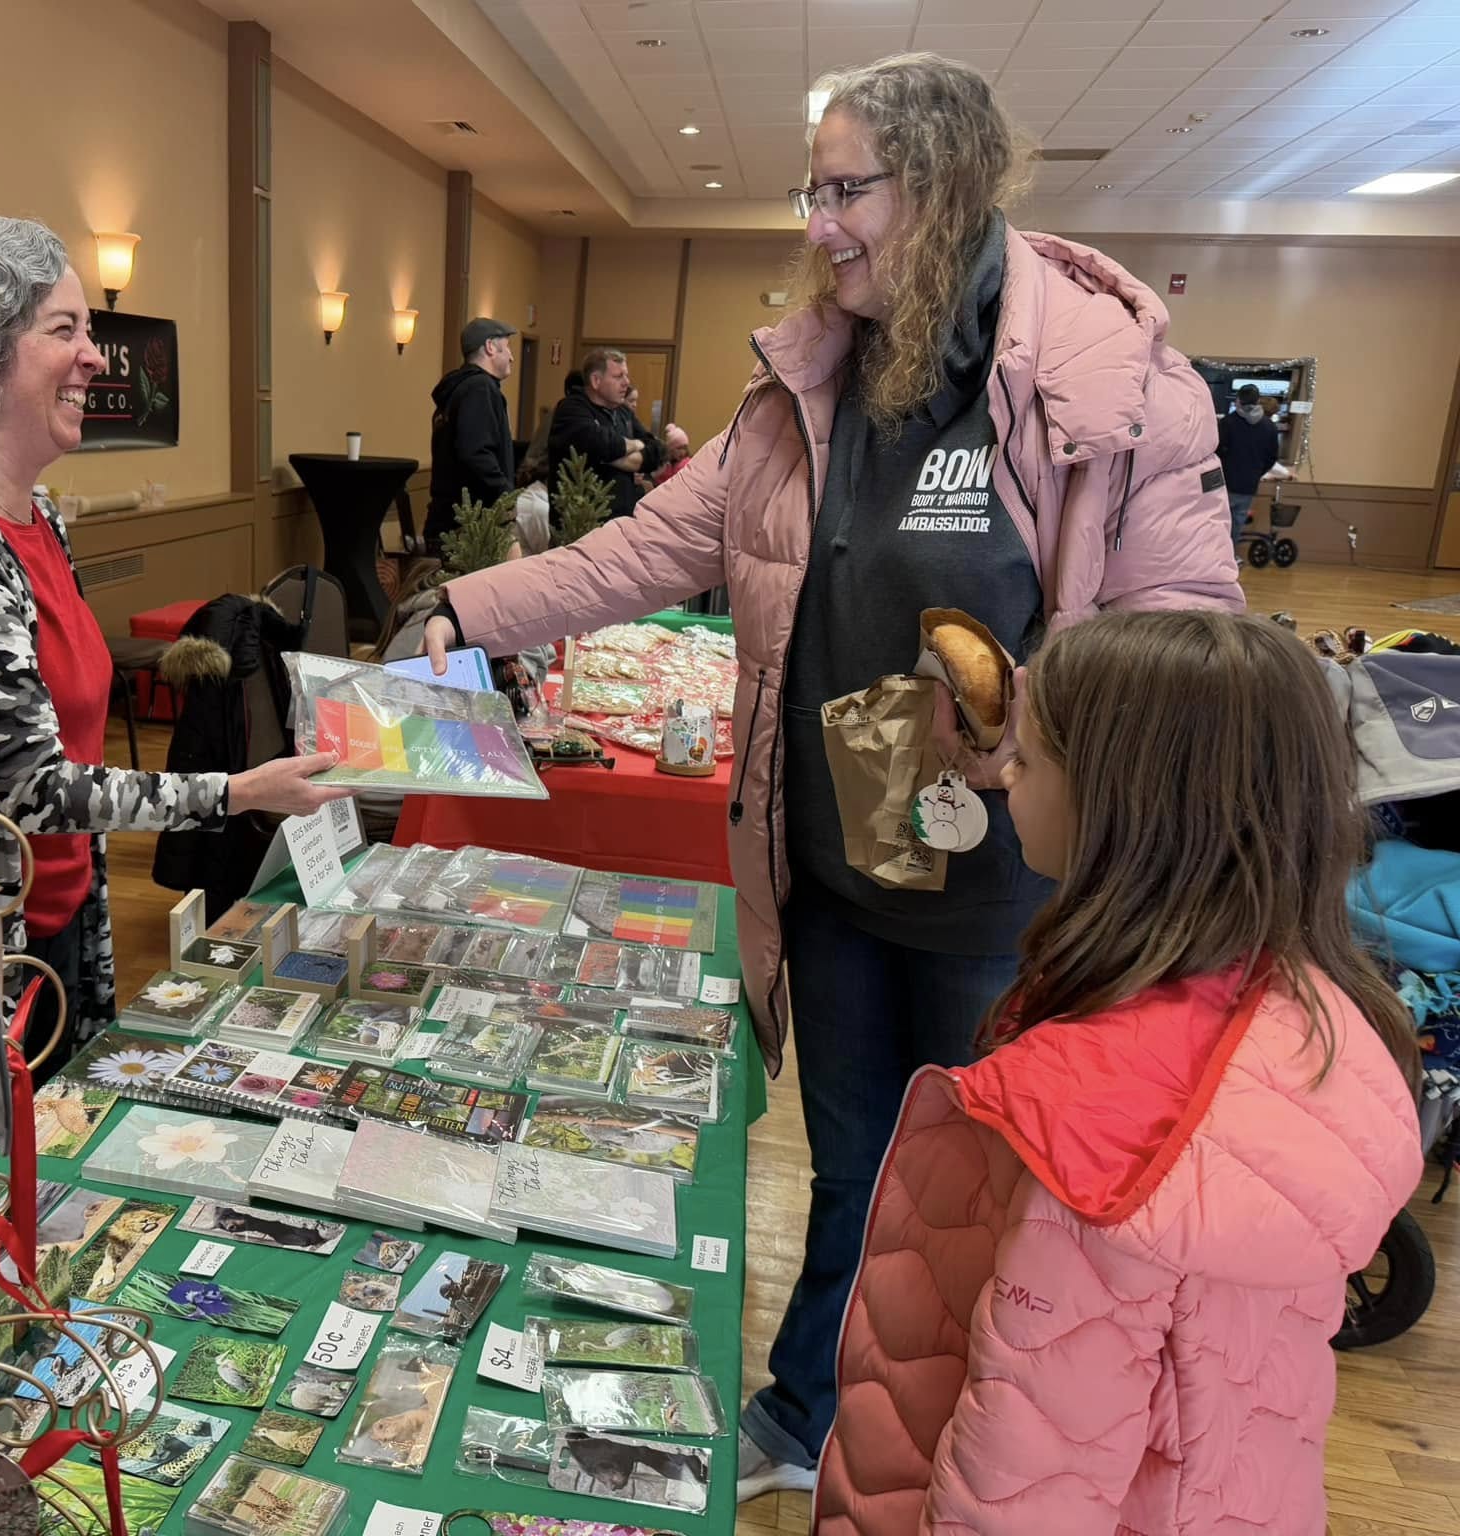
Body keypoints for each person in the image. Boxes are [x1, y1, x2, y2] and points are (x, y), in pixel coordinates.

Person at [420, 53, 1242, 1498]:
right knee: (854, 1165)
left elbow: (1193, 639)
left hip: (1014, 896)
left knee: (998, 1203)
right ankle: (810, 1411)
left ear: (941, 185)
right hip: (833, 878)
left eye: (845, 189)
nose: (817, 224)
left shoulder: (1109, 384)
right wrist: (465, 609)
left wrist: (1043, 714)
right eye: (812, 190)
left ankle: (964, 1458)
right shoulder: (809, 380)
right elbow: (647, 549)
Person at [812, 610, 1423, 1534]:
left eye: (1032, 759)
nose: (1004, 774)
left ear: (1126, 805)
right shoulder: (1313, 1018)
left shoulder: (1100, 1129)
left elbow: (1025, 1475)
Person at [0, 213, 348, 1170]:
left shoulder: (34, 518)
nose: (95, 357)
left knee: (51, 1174)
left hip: (46, 919)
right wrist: (237, 791)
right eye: (63, 329)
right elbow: (36, 788)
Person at [426, 316, 517, 549]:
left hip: (450, 521)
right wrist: (506, 495)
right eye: (507, 347)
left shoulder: (459, 389)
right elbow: (475, 453)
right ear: (490, 347)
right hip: (471, 528)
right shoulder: (479, 388)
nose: (512, 356)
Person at [548, 349, 671, 519]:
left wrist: (611, 457)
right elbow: (600, 444)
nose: (626, 382)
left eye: (626, 376)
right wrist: (635, 444)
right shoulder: (571, 409)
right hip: (580, 521)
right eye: (618, 376)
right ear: (596, 381)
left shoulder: (623, 412)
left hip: (622, 518)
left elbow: (657, 450)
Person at [1217, 382, 1281, 544]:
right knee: (1237, 524)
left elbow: (1215, 452)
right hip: (1248, 485)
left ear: (1238, 400)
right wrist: (1256, 472)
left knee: (1218, 523)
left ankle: (1214, 557)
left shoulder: (1227, 423)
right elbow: (1271, 457)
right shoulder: (1269, 427)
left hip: (1224, 482)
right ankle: (1230, 555)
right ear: (1258, 401)